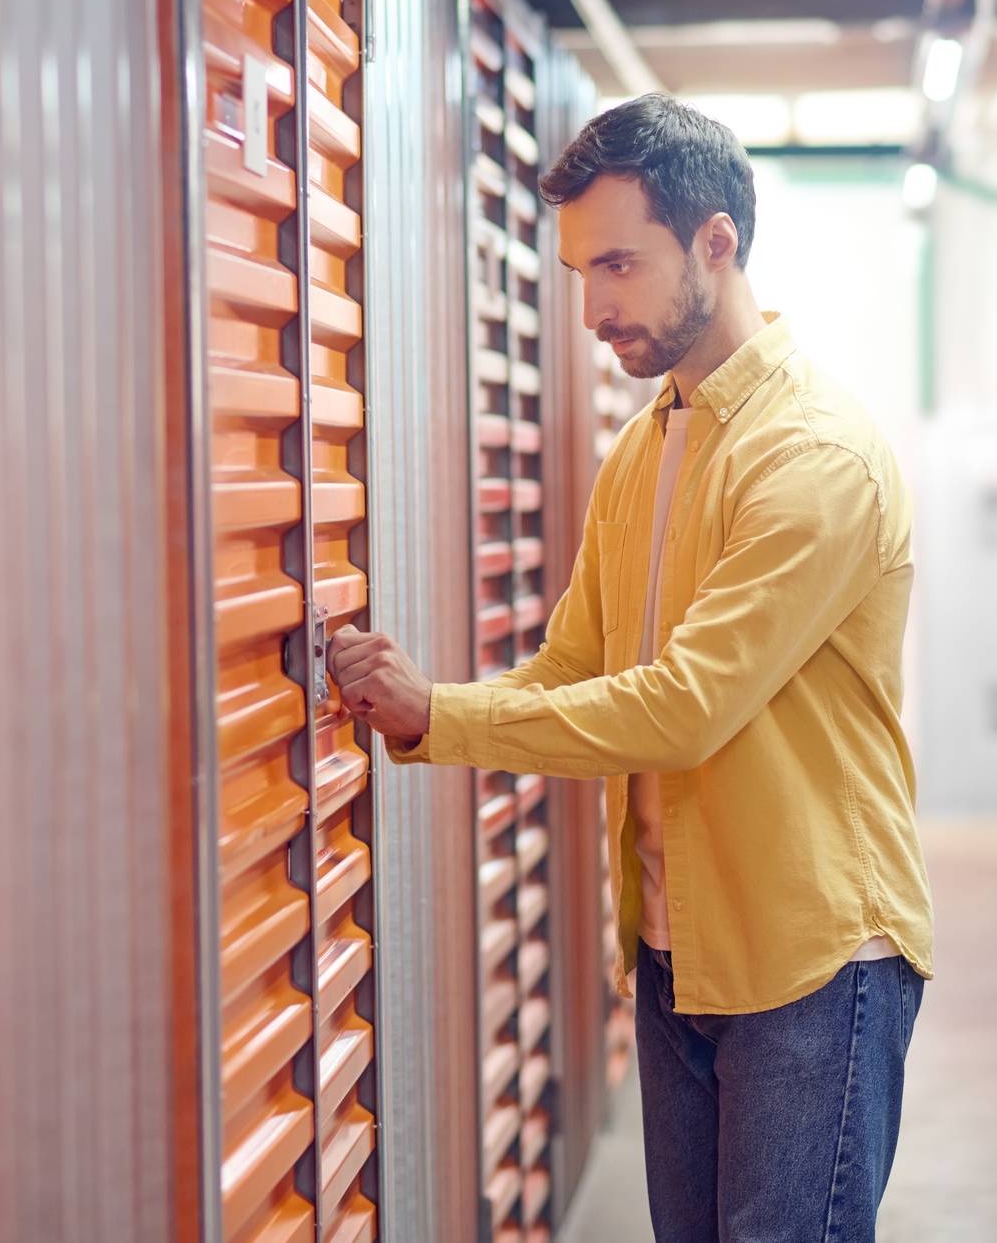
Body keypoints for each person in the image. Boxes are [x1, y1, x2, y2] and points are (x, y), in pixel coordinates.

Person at [327, 93, 935, 1243]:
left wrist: (440, 717)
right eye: (578, 273)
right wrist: (412, 708)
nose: (594, 307)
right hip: (675, 945)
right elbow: (572, 667)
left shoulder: (811, 456)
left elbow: (684, 708)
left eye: (619, 263)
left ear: (716, 241)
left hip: (810, 956)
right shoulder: (648, 445)